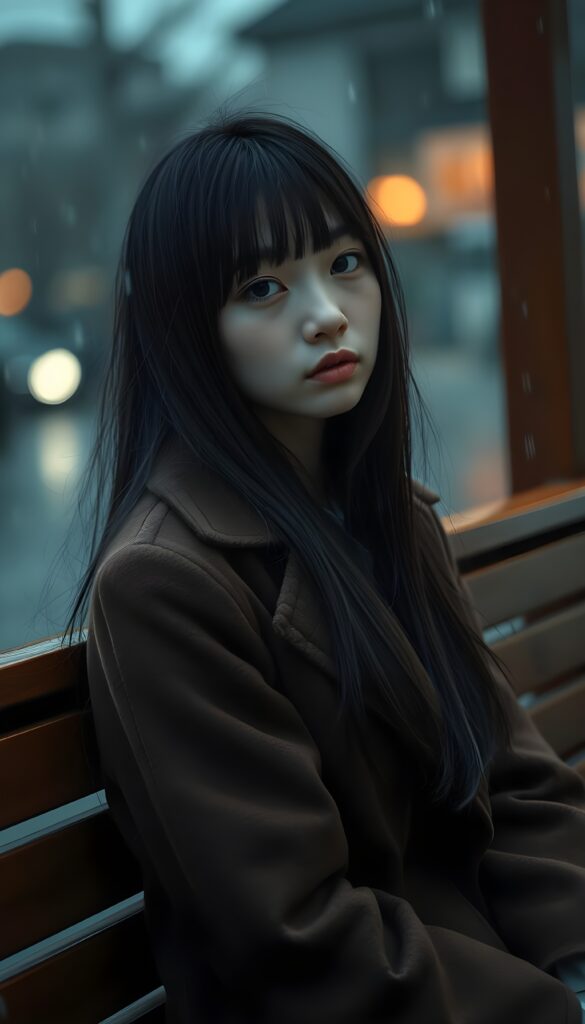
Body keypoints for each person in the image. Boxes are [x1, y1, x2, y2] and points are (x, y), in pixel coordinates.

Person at [61, 106, 585, 1022]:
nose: (326, 316)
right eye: (262, 288)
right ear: (189, 329)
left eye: (344, 264)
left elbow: (513, 776)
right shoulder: (165, 585)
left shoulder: (384, 517)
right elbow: (295, 934)